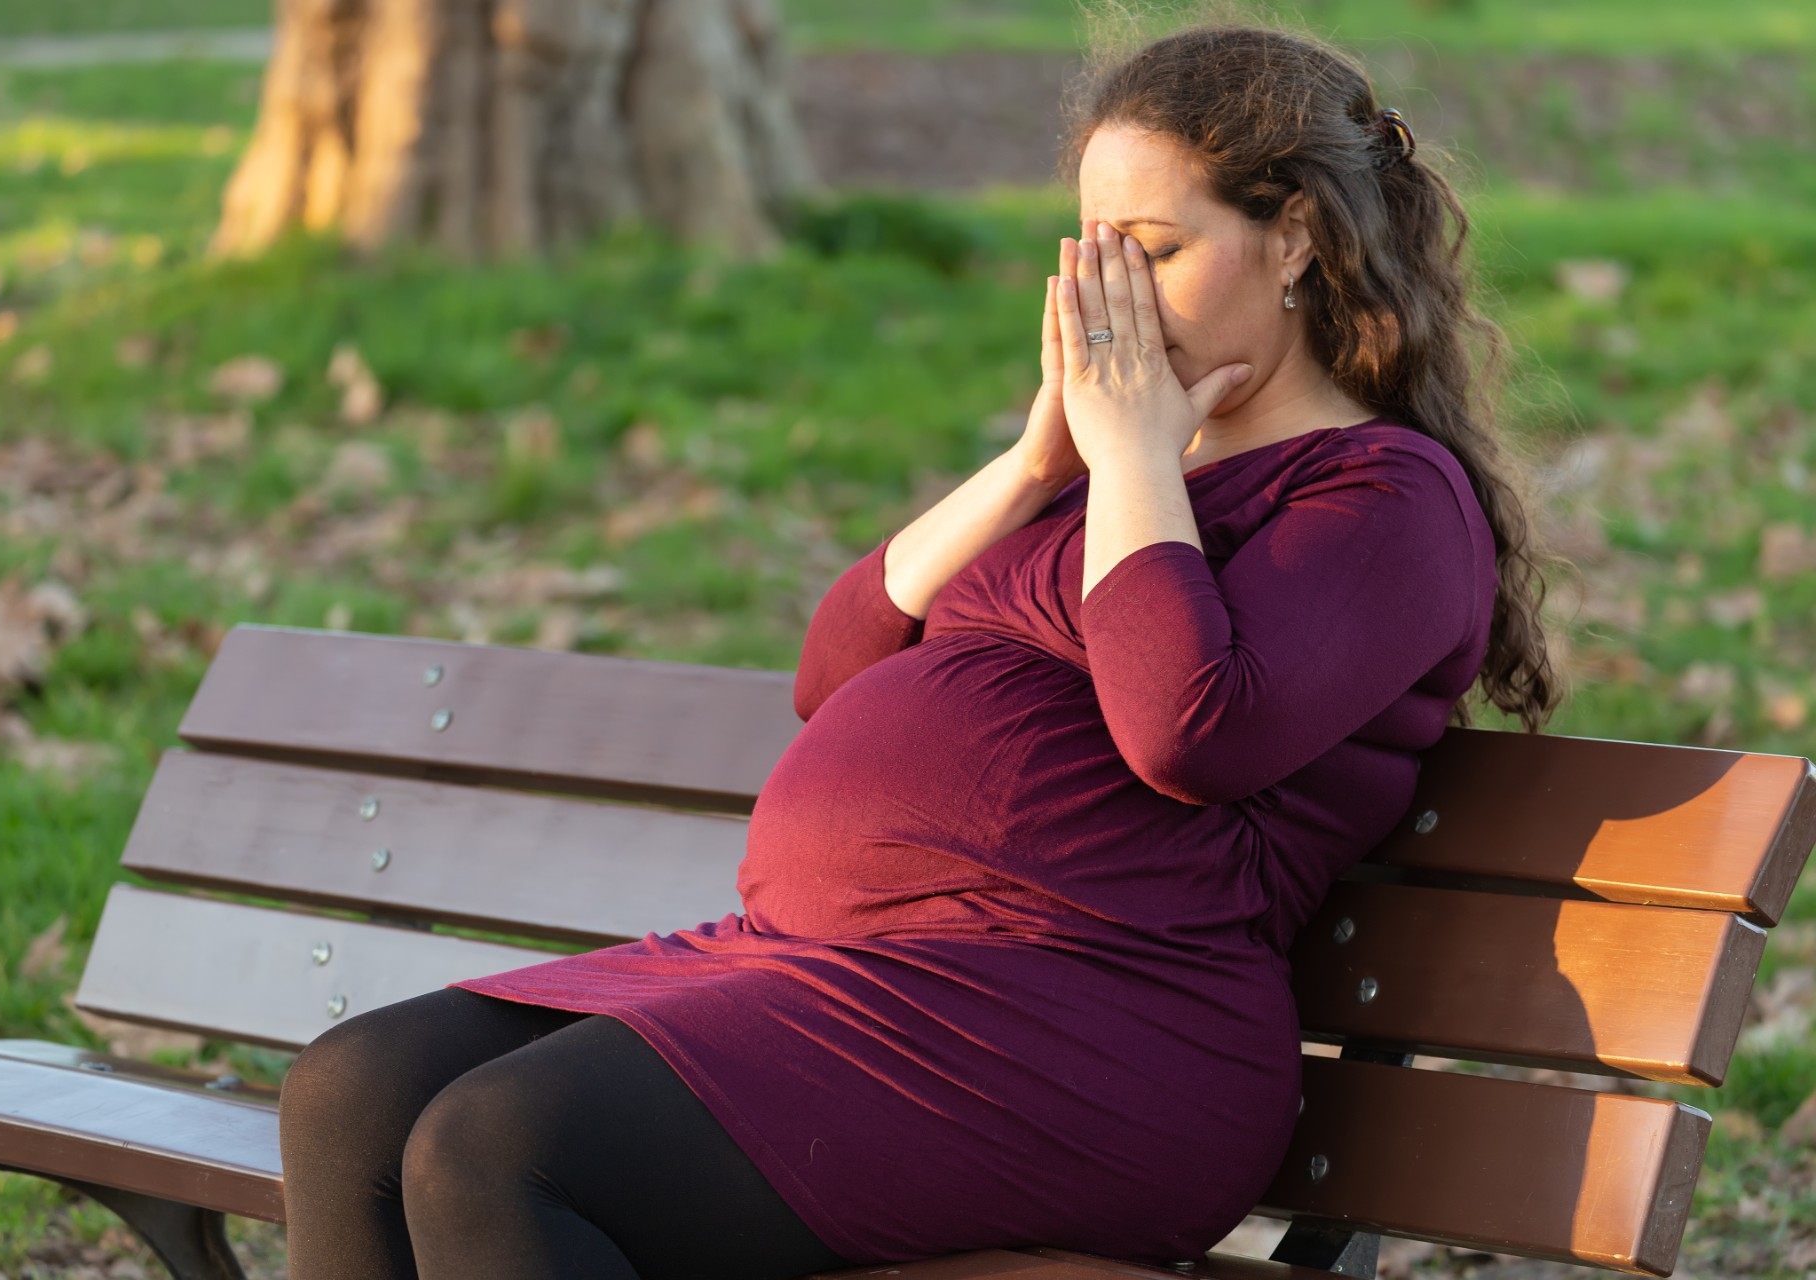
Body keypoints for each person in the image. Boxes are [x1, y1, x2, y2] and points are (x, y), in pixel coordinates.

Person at [276, 18, 1561, 1280]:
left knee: (503, 1149)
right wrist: (1034, 462)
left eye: (1159, 252)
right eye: (1097, 253)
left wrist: (1125, 460)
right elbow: (835, 669)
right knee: (353, 1092)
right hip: (843, 971)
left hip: (1086, 1023)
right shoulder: (1109, 469)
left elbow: (1190, 728)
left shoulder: (1385, 498)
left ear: (1296, 239)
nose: (1113, 301)